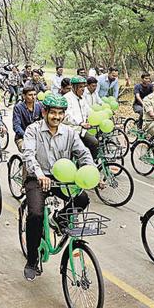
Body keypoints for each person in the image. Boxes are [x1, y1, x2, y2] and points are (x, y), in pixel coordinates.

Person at [22, 94, 96, 281]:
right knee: (36, 215)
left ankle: (60, 220)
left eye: (60, 113)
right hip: (36, 177)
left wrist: (92, 171)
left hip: (61, 178)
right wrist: (39, 174)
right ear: (44, 112)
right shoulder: (33, 130)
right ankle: (32, 260)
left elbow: (83, 153)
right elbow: (29, 155)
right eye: (53, 113)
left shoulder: (69, 133)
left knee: (82, 199)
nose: (56, 117)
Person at [63, 76, 98, 158]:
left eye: (84, 87)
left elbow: (89, 111)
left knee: (95, 141)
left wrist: (98, 118)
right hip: (72, 130)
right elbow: (67, 115)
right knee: (92, 143)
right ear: (74, 87)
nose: (83, 89)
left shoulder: (82, 98)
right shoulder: (67, 98)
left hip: (82, 130)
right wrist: (80, 123)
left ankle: (90, 163)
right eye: (80, 87)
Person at [13, 86, 43, 152]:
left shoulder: (39, 106)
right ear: (24, 96)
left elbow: (44, 121)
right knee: (28, 152)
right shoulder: (18, 108)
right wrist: (26, 135)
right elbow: (16, 125)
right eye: (30, 95)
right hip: (22, 137)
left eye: (35, 95)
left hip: (38, 137)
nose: (33, 97)